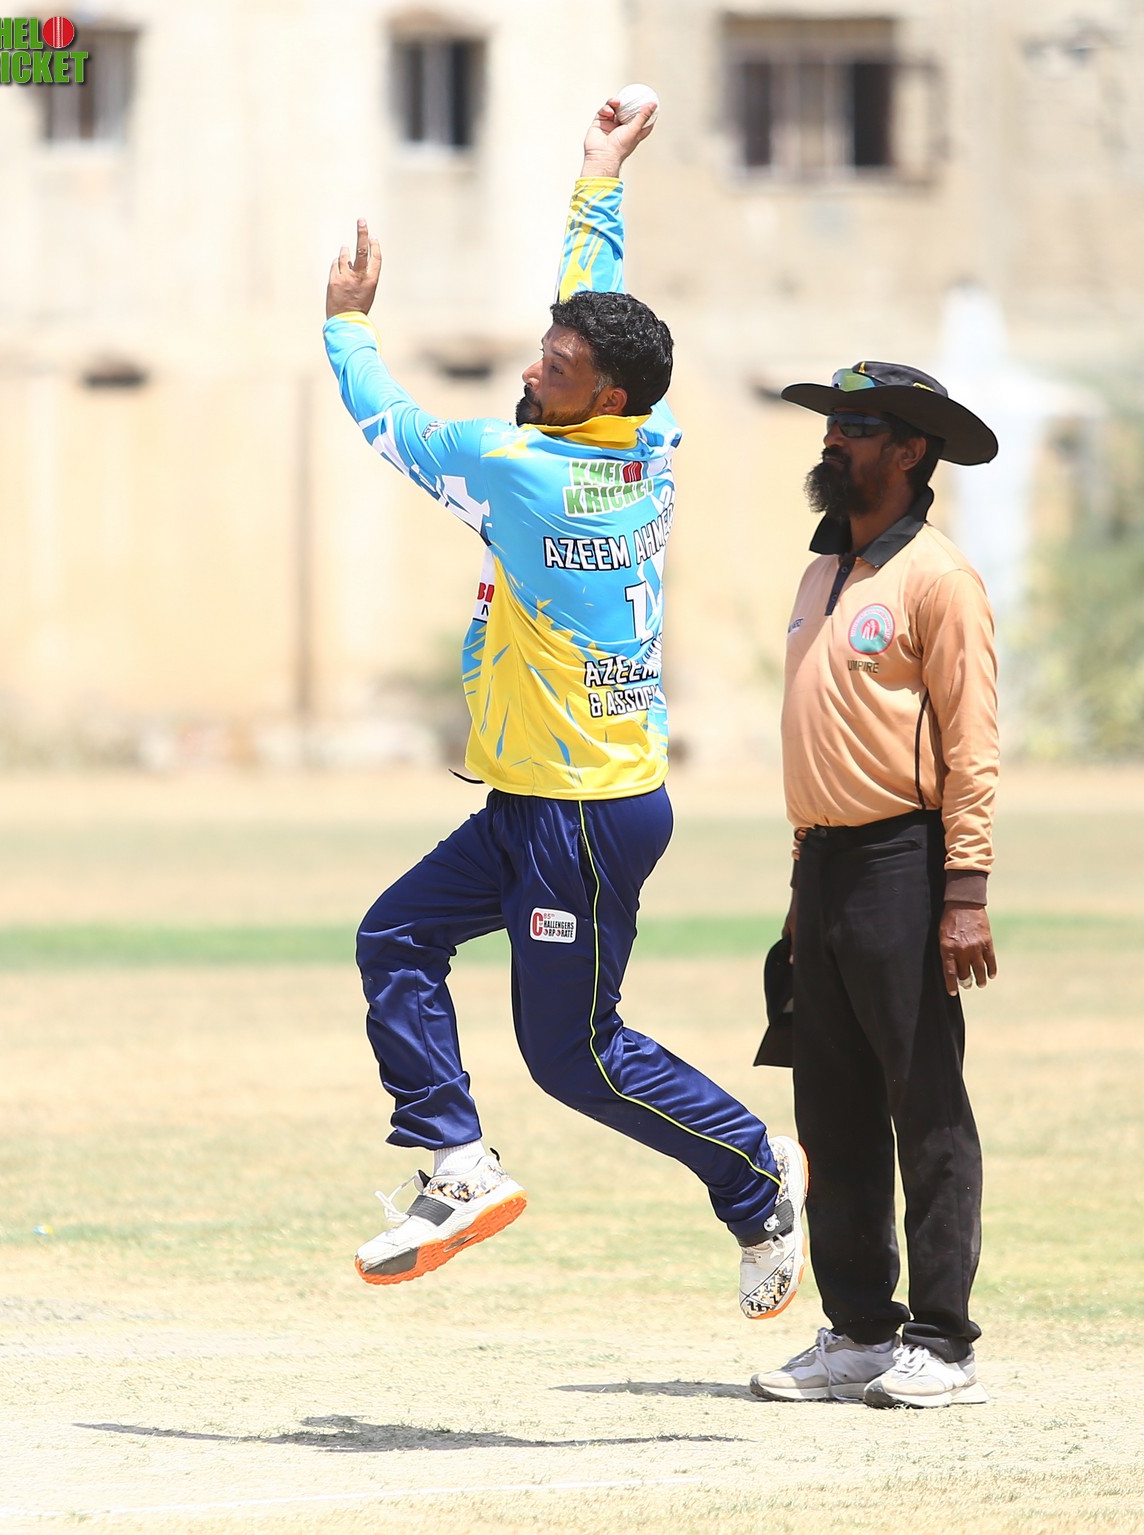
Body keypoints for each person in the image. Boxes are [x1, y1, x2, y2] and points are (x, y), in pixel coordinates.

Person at [321, 96, 806, 1319]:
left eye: (557, 365)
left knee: (576, 1056)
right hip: (550, 796)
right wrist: (598, 177)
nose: (534, 366)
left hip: (581, 814)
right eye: (541, 349)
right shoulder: (652, 433)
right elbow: (597, 304)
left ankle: (759, 1176)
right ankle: (457, 1162)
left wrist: (346, 326)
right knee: (395, 937)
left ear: (602, 394)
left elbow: (392, 426)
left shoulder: (522, 469)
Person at [750, 362, 999, 1409]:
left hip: (907, 862)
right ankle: (859, 1330)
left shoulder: (939, 577)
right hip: (824, 868)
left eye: (855, 425)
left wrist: (965, 889)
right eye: (831, 423)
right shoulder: (823, 573)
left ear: (909, 451)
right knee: (832, 1107)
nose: (832, 439)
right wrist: (800, 887)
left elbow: (973, 745)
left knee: (924, 1102)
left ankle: (944, 1342)